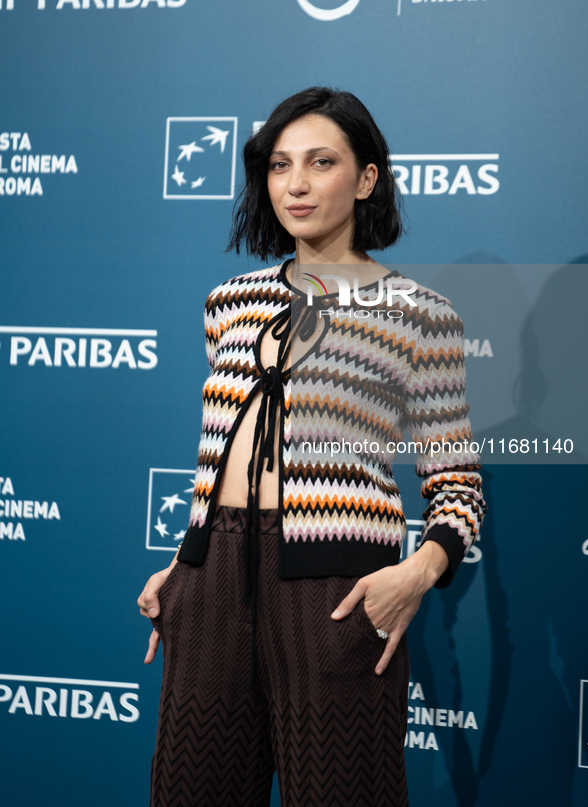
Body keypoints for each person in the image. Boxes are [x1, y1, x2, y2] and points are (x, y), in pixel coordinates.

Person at [138, 87, 486, 807]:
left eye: (320, 162)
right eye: (278, 166)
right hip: (210, 586)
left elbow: (455, 481)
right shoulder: (229, 301)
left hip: (334, 591)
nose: (294, 184)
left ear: (366, 179)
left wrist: (415, 574)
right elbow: (225, 453)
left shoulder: (419, 315)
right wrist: (183, 561)